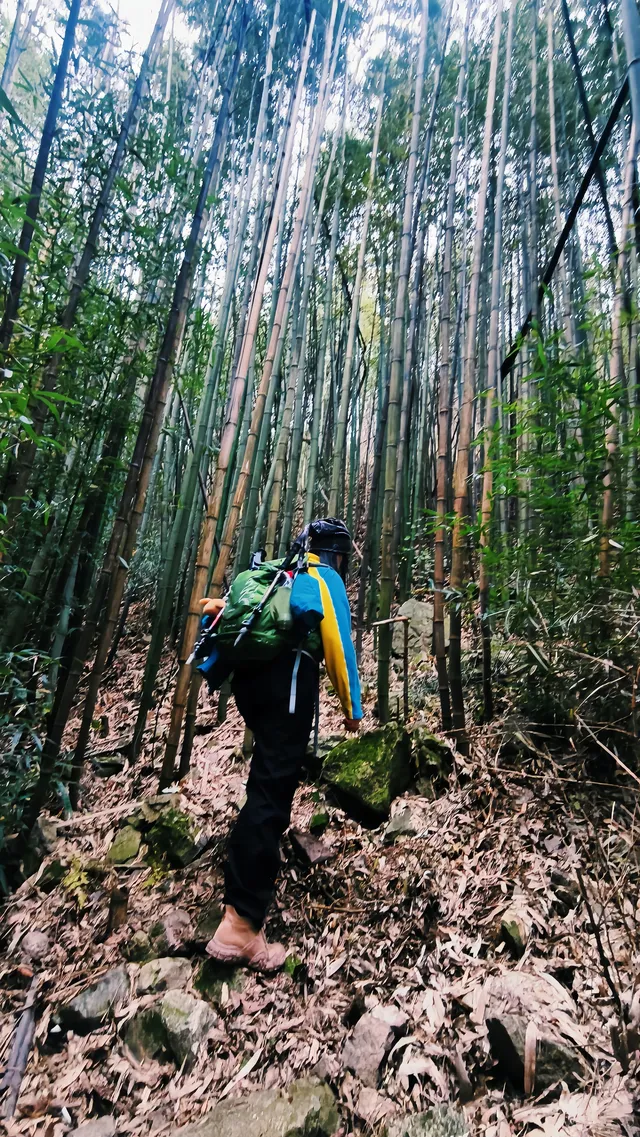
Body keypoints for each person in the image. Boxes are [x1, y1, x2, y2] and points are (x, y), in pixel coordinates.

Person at [199, 518, 363, 972]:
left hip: (251, 687)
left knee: (263, 787)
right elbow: (337, 642)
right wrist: (352, 708)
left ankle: (240, 906)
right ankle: (242, 923)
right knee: (271, 795)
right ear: (336, 554)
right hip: (288, 686)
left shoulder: (278, 572)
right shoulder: (321, 576)